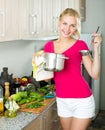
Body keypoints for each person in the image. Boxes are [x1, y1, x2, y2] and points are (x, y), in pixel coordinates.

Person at [41, 8, 102, 130]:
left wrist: (96, 49)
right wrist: (40, 66)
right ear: (59, 22)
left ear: (76, 28)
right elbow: (48, 78)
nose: (67, 29)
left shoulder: (80, 45)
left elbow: (95, 75)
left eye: (72, 25)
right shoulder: (49, 46)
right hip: (62, 100)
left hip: (82, 100)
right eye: (65, 24)